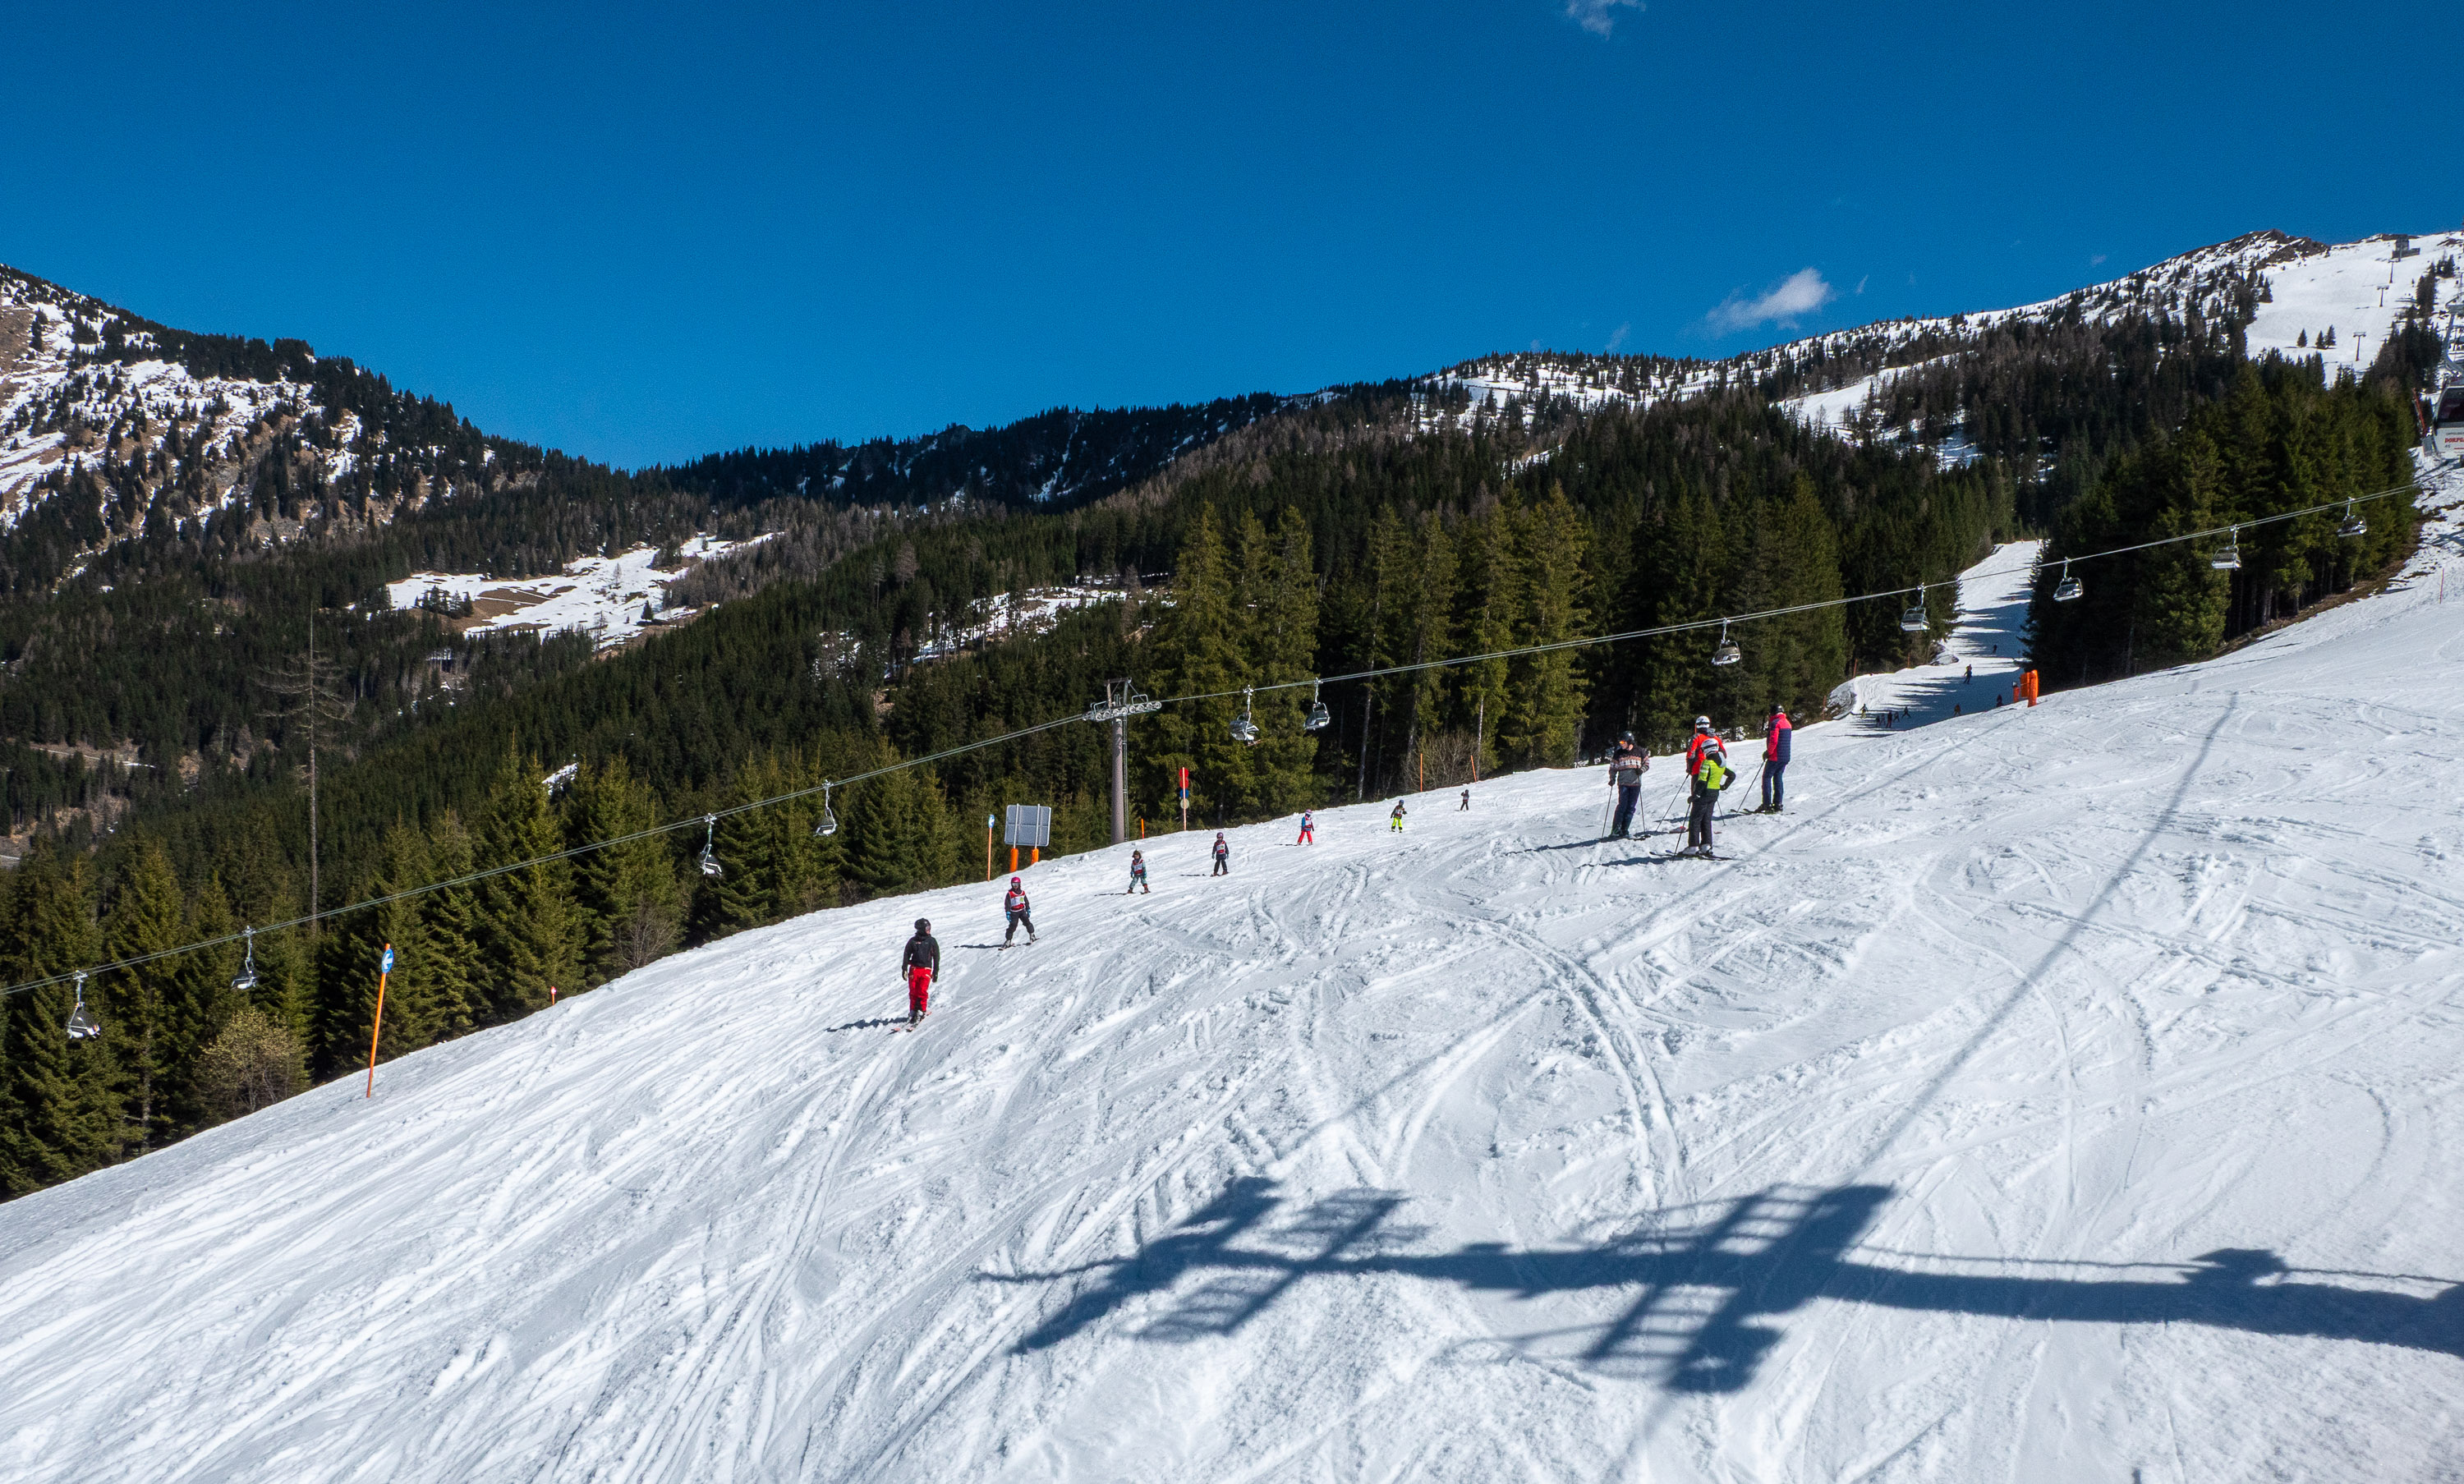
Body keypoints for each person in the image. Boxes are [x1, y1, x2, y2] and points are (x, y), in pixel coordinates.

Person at [1686, 733, 1729, 856]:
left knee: (1695, 820)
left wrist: (1695, 795)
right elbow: (1732, 775)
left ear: (1706, 749)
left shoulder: (1707, 763)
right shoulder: (1721, 763)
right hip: (1714, 794)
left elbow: (1702, 781)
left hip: (1704, 794)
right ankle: (1706, 845)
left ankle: (1693, 847)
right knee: (1707, 819)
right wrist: (1723, 786)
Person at [1607, 730, 1648, 837]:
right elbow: (1613, 767)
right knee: (1622, 806)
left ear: (1629, 741)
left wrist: (1641, 770)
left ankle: (1624, 830)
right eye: (1620, 742)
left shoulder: (1639, 751)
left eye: (1623, 742)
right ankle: (1616, 830)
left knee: (1631, 807)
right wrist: (1612, 778)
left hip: (1635, 784)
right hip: (1623, 783)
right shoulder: (1619, 753)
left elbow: (1647, 763)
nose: (1621, 744)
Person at [902, 917, 940, 1027]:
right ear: (921, 929)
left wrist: (936, 971)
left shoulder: (931, 941)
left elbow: (936, 956)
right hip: (914, 969)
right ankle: (913, 1011)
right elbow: (906, 954)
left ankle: (922, 1010)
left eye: (929, 928)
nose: (929, 930)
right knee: (913, 991)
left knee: (922, 991)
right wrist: (904, 968)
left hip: (926, 969)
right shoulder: (913, 941)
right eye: (927, 928)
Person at [1760, 706, 1791, 813]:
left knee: (1767, 777)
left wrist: (1768, 752)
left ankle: (1767, 804)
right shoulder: (1787, 723)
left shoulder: (1775, 723)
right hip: (1785, 756)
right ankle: (1778, 804)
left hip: (1775, 756)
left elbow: (1774, 740)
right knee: (1778, 777)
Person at [1002, 876, 1036, 945]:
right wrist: (1008, 912)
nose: (1015, 886)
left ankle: (1032, 935)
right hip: (1014, 912)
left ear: (1019, 884)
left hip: (1022, 911)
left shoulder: (1022, 893)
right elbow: (1007, 904)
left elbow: (1026, 901)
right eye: (1013, 884)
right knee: (1013, 926)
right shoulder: (1010, 893)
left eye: (1016, 884)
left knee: (1027, 922)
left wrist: (1028, 908)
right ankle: (1008, 940)